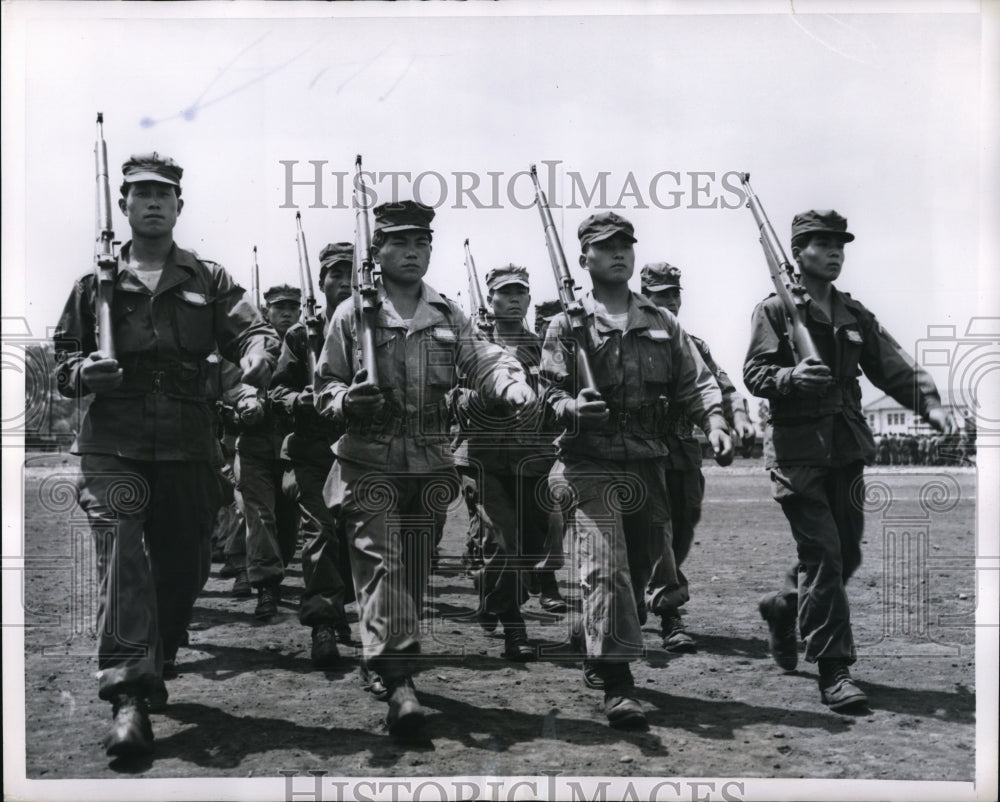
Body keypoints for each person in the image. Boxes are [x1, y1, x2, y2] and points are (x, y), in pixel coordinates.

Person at [53, 153, 278, 758]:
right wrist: (83, 373)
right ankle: (127, 695)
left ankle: (166, 643)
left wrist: (256, 356)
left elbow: (254, 332)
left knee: (185, 564)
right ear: (123, 206)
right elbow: (62, 364)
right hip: (114, 443)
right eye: (140, 194)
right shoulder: (93, 285)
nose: (152, 202)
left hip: (187, 442)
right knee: (122, 554)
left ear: (179, 206)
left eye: (164, 194)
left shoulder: (208, 279)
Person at [314, 200, 536, 737]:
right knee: (380, 565)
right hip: (368, 464)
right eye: (399, 244)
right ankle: (400, 682)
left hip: (431, 466)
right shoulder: (353, 314)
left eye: (421, 244)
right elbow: (325, 389)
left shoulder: (446, 314)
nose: (412, 253)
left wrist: (510, 382)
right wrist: (347, 403)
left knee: (412, 570)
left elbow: (482, 358)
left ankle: (382, 657)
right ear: (379, 251)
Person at [744, 209, 957, 712]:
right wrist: (790, 379)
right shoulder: (774, 310)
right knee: (825, 555)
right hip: (797, 454)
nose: (834, 251)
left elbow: (892, 366)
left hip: (846, 449)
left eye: (840, 243)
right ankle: (834, 669)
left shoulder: (852, 313)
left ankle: (785, 607)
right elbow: (755, 372)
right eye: (820, 243)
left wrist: (930, 405)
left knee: (846, 556)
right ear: (798, 253)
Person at [540, 212, 732, 730]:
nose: (619, 252)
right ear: (585, 259)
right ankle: (618, 679)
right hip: (589, 461)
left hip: (647, 462)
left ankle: (599, 636)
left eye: (626, 244)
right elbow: (547, 394)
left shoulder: (662, 322)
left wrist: (714, 421)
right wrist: (570, 409)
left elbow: (695, 382)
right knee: (606, 564)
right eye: (606, 247)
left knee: (645, 560)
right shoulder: (566, 323)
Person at [639, 262, 756, 652]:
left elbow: (723, 386)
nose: (670, 301)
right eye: (660, 295)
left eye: (675, 293)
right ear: (644, 297)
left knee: (685, 523)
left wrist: (736, 418)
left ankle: (641, 587)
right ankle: (670, 612)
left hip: (683, 449)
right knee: (660, 530)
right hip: (644, 449)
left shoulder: (694, 343)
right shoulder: (634, 339)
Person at [453, 264, 566, 662]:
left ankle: (496, 597)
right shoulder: (471, 347)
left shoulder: (544, 348)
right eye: (505, 292)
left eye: (521, 291)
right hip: (483, 458)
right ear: (491, 300)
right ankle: (513, 625)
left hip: (533, 460)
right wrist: (488, 398)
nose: (514, 298)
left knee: (532, 546)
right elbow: (452, 398)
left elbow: (557, 393)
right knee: (500, 542)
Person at [270, 242, 358, 668]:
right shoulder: (299, 334)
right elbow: (276, 390)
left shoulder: (375, 327)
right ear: (321, 282)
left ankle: (344, 608)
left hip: (362, 452)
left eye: (352, 273)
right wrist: (296, 401)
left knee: (355, 539)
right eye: (335, 275)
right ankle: (323, 623)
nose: (345, 282)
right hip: (313, 452)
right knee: (321, 534)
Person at [232, 285, 302, 621]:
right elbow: (227, 387)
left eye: (293, 307)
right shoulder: (247, 346)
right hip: (254, 445)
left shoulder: (308, 346)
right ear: (266, 310)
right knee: (260, 518)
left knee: (288, 526)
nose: (286, 313)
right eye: (279, 307)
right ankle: (266, 587)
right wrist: (241, 406)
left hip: (294, 448)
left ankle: (274, 570)